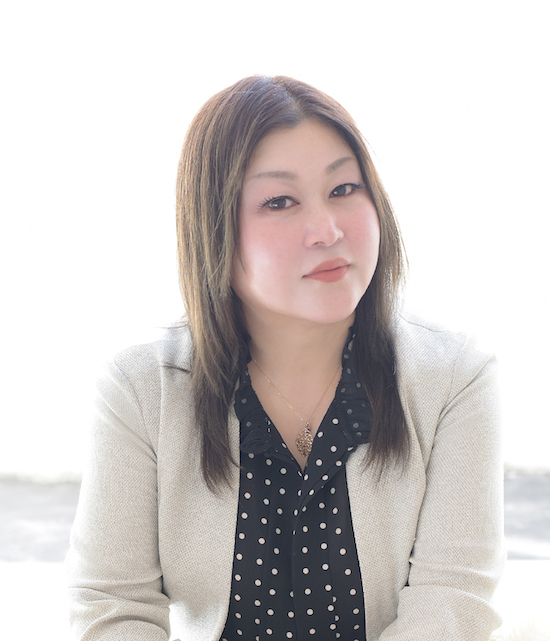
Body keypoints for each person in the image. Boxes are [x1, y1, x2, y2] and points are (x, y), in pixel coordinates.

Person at [66, 75, 505, 641]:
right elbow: (112, 606)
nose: (326, 230)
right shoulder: (141, 387)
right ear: (214, 227)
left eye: (343, 189)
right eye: (279, 201)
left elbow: (452, 602)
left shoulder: (454, 376)